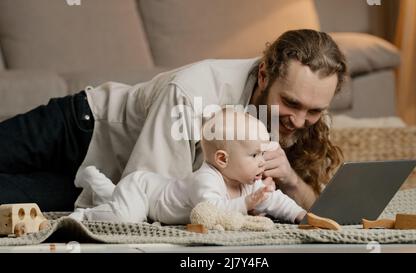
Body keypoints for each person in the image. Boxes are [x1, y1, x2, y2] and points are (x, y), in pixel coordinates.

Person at [0, 29, 346, 211]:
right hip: (80, 127)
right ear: (263, 74)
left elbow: (317, 212)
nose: (300, 121)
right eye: (291, 103)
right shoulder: (193, 92)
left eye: (315, 111)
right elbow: (155, 197)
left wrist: (289, 179)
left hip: (101, 181)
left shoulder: (295, 118)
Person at [69, 110, 307, 224]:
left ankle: (91, 177)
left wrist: (301, 215)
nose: (262, 162)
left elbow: (274, 199)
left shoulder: (247, 181)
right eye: (255, 155)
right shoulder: (206, 179)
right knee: (126, 216)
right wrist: (247, 203)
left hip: (149, 189)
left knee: (117, 199)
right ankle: (85, 215)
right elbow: (213, 211)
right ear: (223, 160)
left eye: (262, 153)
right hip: (142, 188)